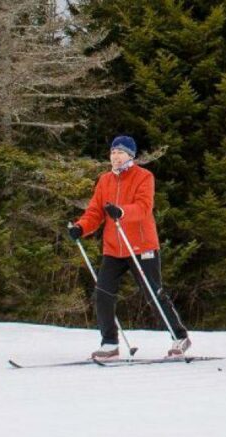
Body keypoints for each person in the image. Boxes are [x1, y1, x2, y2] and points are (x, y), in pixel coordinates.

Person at [66, 135, 191, 360]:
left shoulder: (144, 177)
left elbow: (144, 207)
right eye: (113, 152)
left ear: (131, 156)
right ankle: (109, 343)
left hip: (142, 246)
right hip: (114, 248)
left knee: (153, 293)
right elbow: (95, 212)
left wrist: (122, 212)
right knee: (102, 294)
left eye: (121, 152)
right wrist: (80, 228)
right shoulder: (104, 180)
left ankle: (179, 336)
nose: (116, 156)